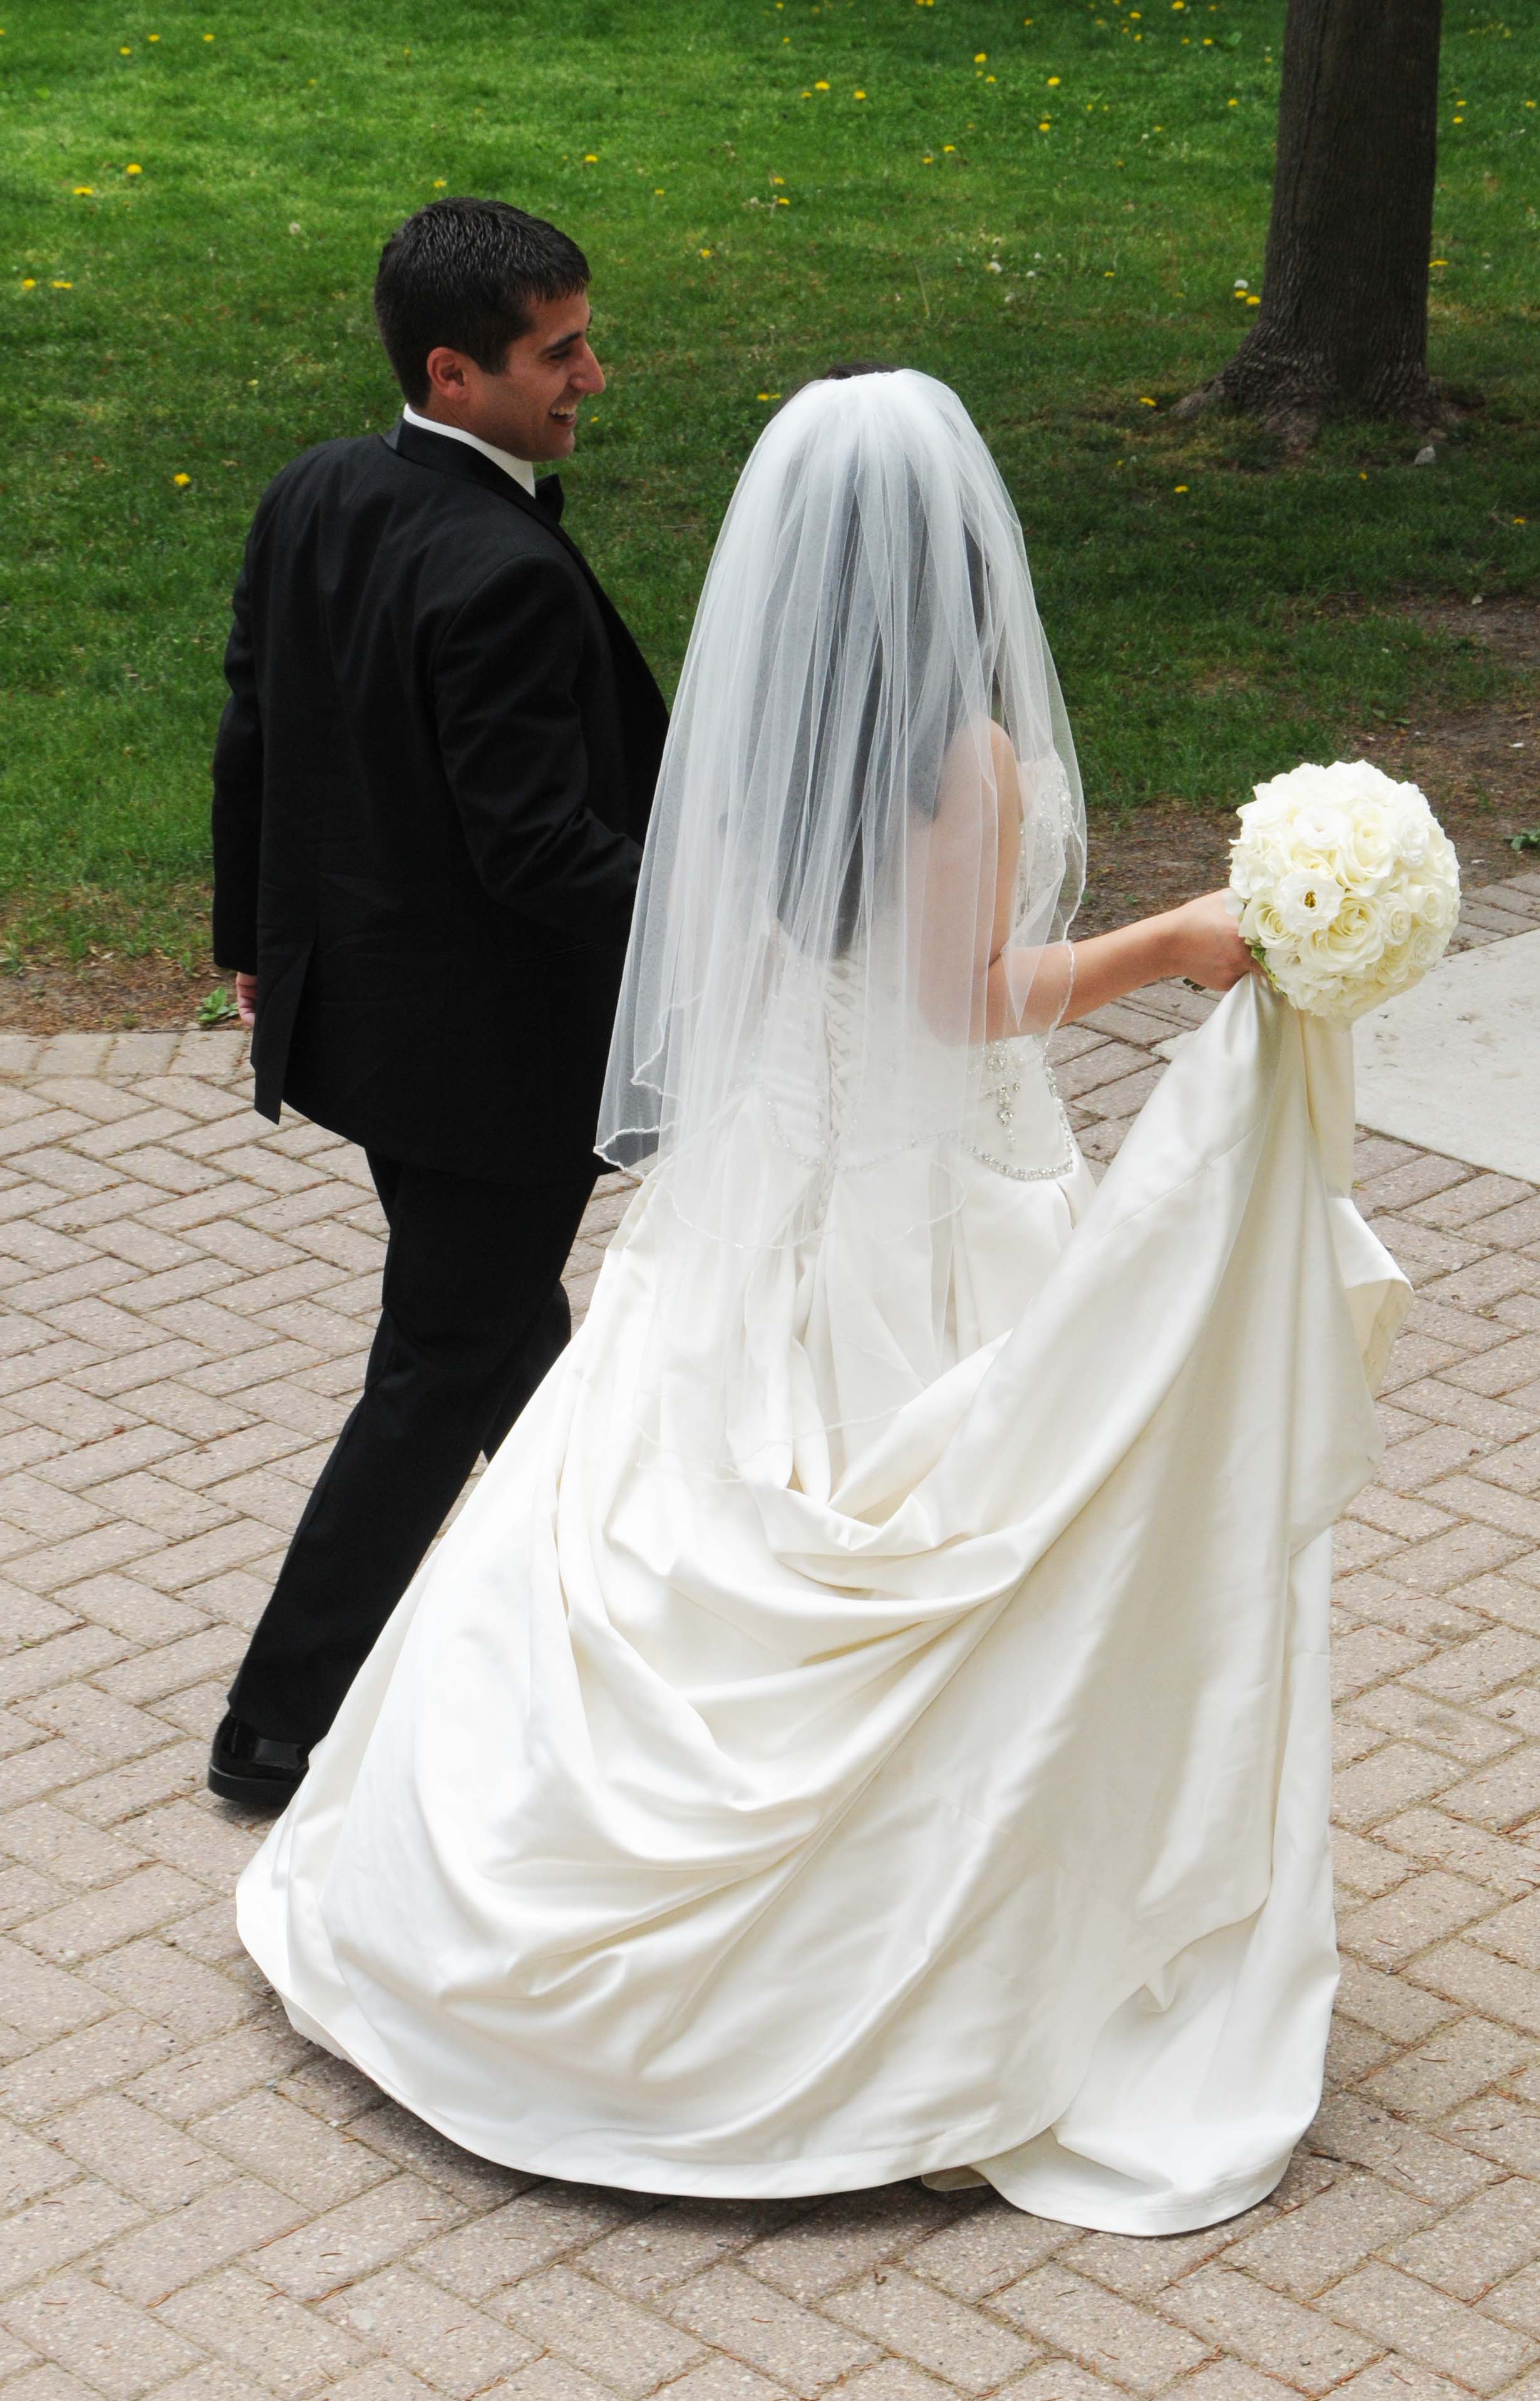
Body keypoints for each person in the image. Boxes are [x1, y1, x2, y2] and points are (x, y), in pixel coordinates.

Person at [237, 370, 1407, 2233]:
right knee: (1011, 1549)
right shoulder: (960, 755)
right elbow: (965, 1002)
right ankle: (943, 1972)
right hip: (926, 1206)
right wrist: (1181, 942)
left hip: (765, 1188)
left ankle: (477, 1912)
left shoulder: (752, 731)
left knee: (625, 1504)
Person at [207, 199, 666, 1808]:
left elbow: (256, 730)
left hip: (365, 1029)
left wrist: (249, 940)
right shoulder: (503, 570)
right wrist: (729, 915)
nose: (593, 376)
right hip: (496, 1076)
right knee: (443, 1364)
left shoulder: (316, 491)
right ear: (454, 374)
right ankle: (278, 1722)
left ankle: (594, 1614)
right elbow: (539, 852)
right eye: (562, 353)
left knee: (512, 1344)